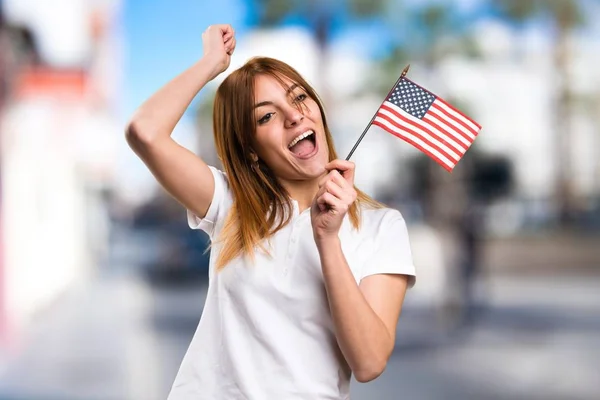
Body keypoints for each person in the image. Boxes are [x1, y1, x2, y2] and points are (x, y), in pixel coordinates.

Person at [126, 24, 416, 400]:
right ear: (251, 150)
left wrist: (327, 238)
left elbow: (369, 362)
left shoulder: (382, 227)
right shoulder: (230, 203)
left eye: (299, 98)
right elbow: (144, 132)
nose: (294, 117)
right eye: (266, 117)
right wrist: (212, 64)